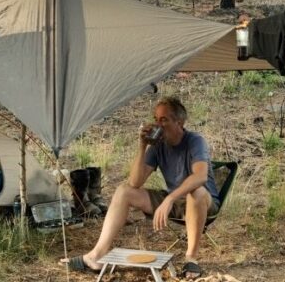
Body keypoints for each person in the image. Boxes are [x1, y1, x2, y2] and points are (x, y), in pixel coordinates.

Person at [66, 96, 220, 279]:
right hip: (175, 200)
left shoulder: (195, 140)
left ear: (179, 122)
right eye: (156, 119)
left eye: (164, 120)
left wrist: (169, 199)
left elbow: (200, 177)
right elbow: (134, 183)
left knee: (197, 192)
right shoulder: (158, 145)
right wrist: (142, 146)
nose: (158, 125)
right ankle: (97, 255)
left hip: (203, 203)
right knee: (124, 191)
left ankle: (191, 258)